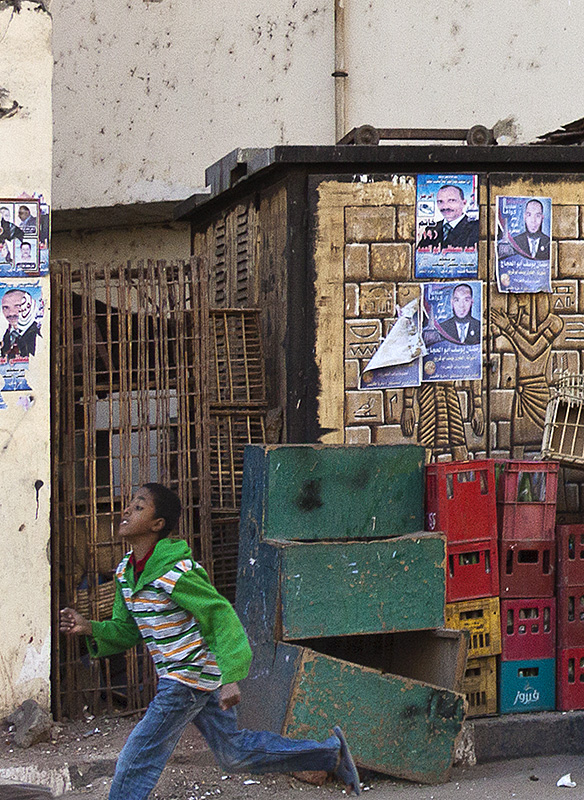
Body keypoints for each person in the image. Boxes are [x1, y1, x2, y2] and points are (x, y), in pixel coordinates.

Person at [60, 484, 361, 800]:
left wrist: (230, 678)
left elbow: (220, 617)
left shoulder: (176, 572)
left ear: (157, 524)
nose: (126, 511)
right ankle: (330, 755)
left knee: (138, 757)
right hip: (198, 677)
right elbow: (127, 631)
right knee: (233, 753)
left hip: (185, 679)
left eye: (138, 507)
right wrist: (89, 628)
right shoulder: (125, 574)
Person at [417, 184, 479, 251]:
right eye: (440, 201)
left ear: (464, 203)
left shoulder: (475, 227)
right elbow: (420, 255)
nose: (445, 207)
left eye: (451, 200)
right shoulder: (432, 228)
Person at [1, 288, 40, 358]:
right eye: (6, 307)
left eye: (18, 306)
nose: (11, 313)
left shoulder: (38, 333)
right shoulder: (7, 334)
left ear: (28, 306)